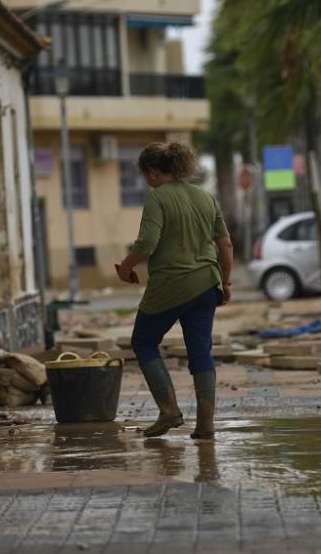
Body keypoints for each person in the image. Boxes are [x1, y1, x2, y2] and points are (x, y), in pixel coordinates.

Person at [116, 141, 233, 440]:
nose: (147, 181)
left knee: (143, 341)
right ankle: (206, 423)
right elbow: (225, 244)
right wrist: (226, 282)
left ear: (154, 173)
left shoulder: (158, 198)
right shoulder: (206, 197)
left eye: (146, 175)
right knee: (200, 351)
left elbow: (147, 243)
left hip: (170, 284)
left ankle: (169, 411)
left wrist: (126, 267)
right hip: (207, 283)